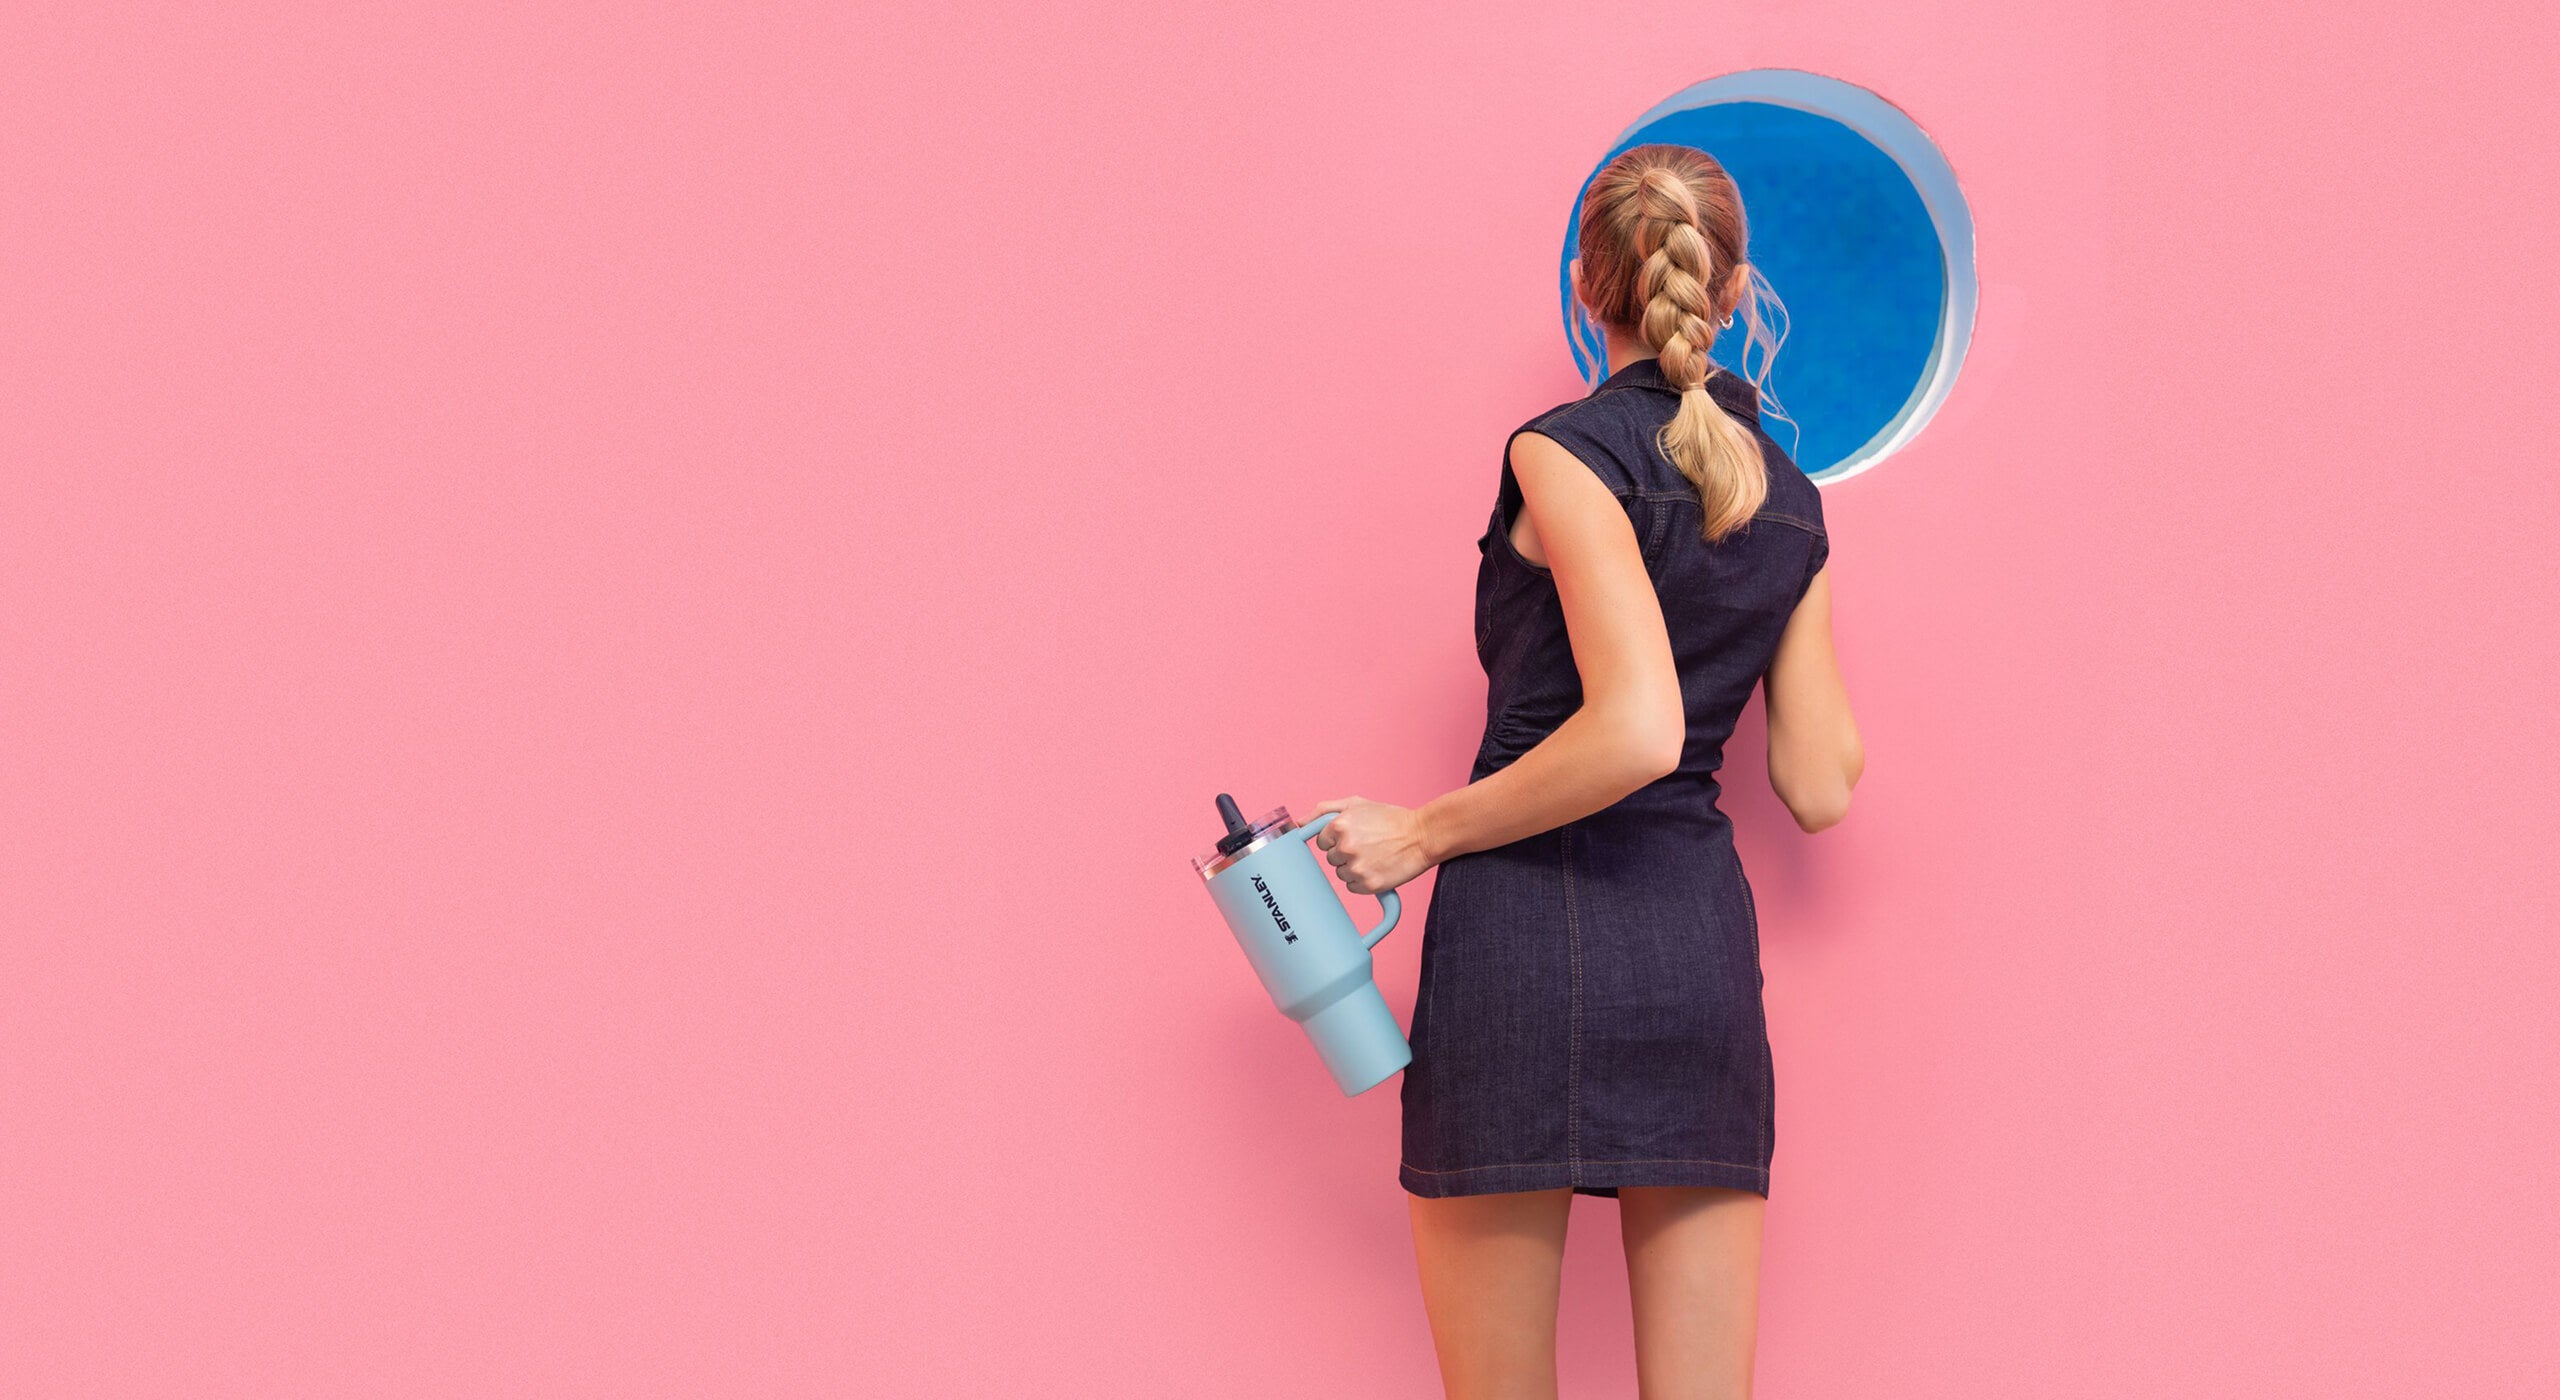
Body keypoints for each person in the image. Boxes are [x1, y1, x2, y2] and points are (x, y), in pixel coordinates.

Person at [1308, 143, 1863, 1398]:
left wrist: (1419, 832)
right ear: (1730, 293)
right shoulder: (1788, 494)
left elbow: (1635, 729)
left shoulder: (1561, 452)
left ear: (1583, 282)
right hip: (1690, 949)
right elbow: (1820, 784)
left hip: (1520, 939)